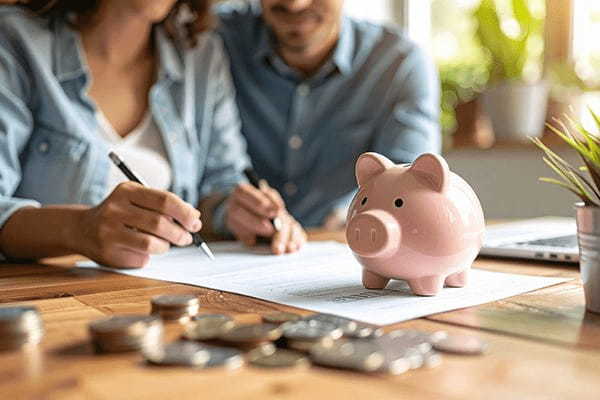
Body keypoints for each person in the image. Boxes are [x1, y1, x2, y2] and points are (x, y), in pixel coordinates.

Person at [0, 0, 306, 268]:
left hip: (162, 291)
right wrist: (77, 229)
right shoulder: (15, 41)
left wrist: (239, 212)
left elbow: (220, 181)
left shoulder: (200, 55)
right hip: (45, 301)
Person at [217, 0, 441, 229]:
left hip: (347, 241)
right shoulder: (214, 41)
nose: (295, 5)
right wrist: (228, 210)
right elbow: (208, 181)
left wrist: (353, 214)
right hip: (240, 247)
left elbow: (411, 185)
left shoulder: (398, 64)